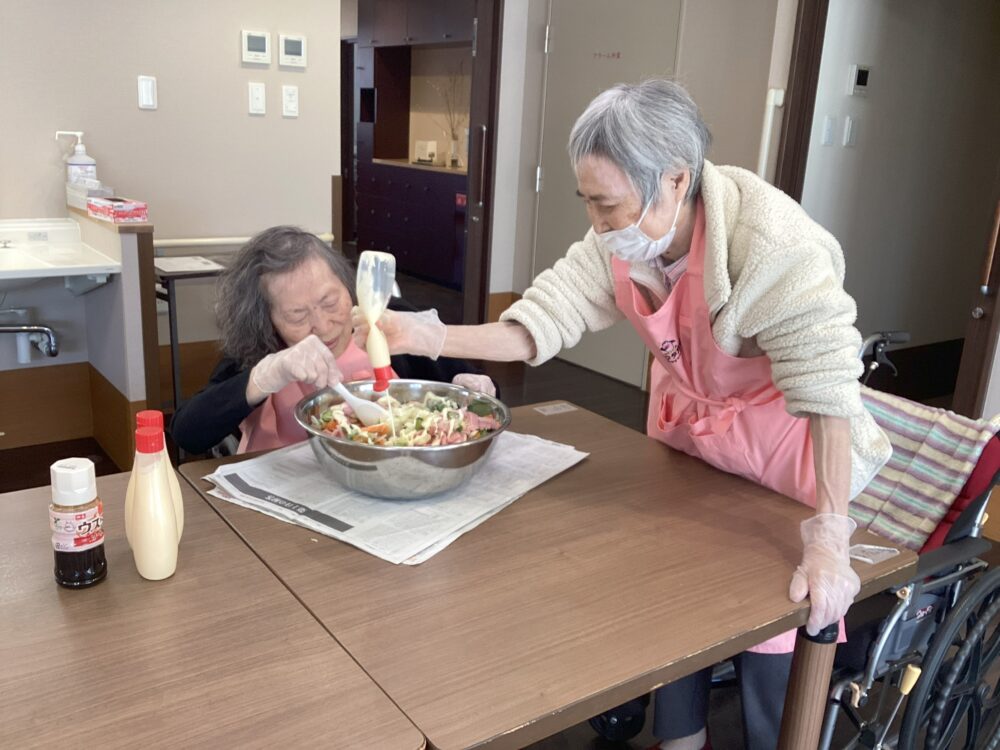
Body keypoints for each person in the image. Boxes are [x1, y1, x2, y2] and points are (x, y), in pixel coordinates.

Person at [351, 80, 892, 750]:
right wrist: (427, 337)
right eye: (590, 204)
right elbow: (536, 327)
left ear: (675, 179)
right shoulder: (619, 240)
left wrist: (830, 536)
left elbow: (830, 390)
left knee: (768, 632)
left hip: (780, 456)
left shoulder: (770, 242)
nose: (599, 225)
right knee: (671, 604)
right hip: (691, 440)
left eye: (607, 205)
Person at [171, 226, 493, 455]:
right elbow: (187, 433)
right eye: (298, 316)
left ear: (347, 285)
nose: (323, 326)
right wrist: (265, 376)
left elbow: (473, 391)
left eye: (330, 302)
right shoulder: (259, 349)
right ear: (266, 319)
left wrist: (472, 389)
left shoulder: (387, 322)